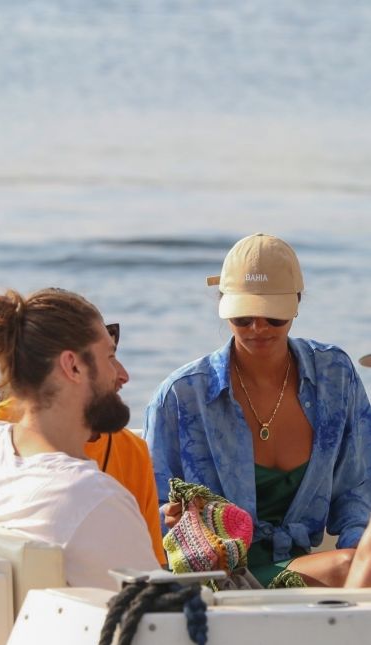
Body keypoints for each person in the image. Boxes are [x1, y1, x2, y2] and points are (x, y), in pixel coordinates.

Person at [144, 233, 371, 587]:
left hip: (305, 566)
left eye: (273, 317)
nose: (257, 328)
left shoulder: (335, 376)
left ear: (296, 304)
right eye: (243, 317)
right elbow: (151, 512)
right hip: (215, 578)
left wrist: (361, 559)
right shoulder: (181, 396)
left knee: (351, 565)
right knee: (343, 566)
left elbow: (357, 489)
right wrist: (171, 519)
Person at [0, 288, 160, 590]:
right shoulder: (98, 502)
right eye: (110, 357)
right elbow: (164, 625)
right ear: (73, 366)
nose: (122, 373)